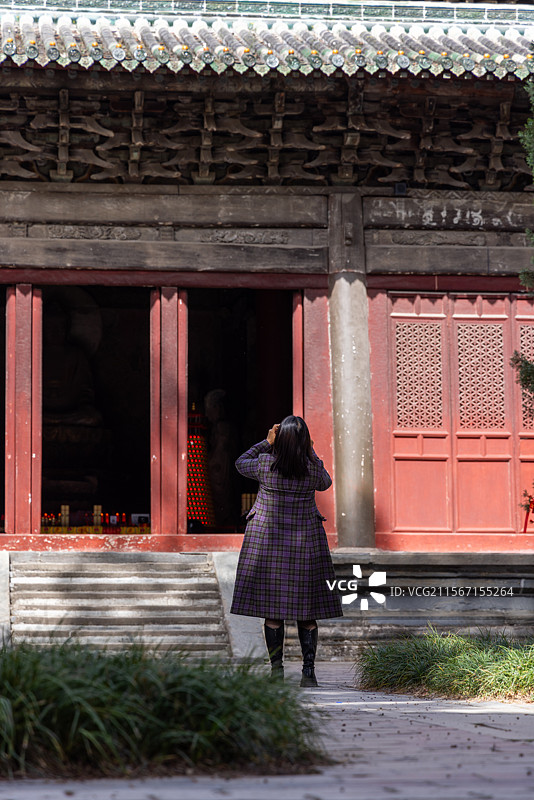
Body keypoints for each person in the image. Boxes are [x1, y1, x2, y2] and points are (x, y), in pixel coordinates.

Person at [230, 415, 342, 687]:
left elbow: (239, 463)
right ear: (304, 442)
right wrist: (310, 450)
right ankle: (308, 673)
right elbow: (326, 481)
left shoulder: (266, 463)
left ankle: (277, 671)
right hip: (306, 545)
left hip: (269, 544)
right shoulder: (311, 470)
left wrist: (265, 442)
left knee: (272, 610)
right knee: (307, 611)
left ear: (279, 440)